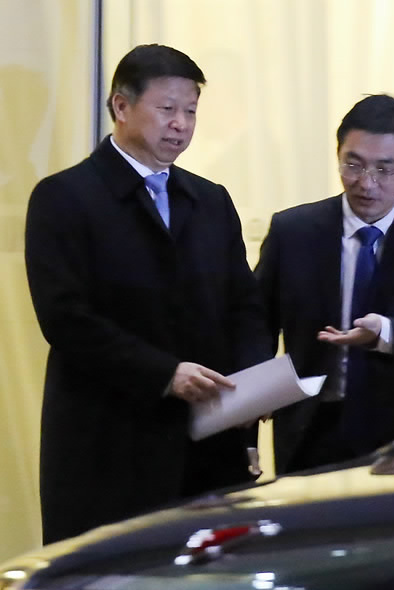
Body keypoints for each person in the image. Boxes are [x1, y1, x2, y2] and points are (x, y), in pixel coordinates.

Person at [25, 44, 272, 544]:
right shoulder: (64, 197)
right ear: (121, 106)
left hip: (207, 447)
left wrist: (252, 383)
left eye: (191, 111)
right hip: (109, 445)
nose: (180, 124)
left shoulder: (209, 200)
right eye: (167, 109)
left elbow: (244, 304)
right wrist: (164, 374)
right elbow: (66, 318)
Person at [255, 94, 394, 475]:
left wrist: (384, 331)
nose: (366, 183)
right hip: (310, 427)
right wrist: (248, 422)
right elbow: (257, 321)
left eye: (384, 169)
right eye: (353, 165)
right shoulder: (294, 231)